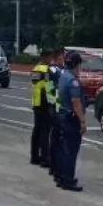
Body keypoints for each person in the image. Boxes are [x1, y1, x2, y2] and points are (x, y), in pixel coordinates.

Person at [55, 51, 87, 192]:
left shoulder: (63, 75)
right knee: (71, 151)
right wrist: (82, 121)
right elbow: (76, 103)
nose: (80, 68)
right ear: (75, 65)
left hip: (62, 115)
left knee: (63, 149)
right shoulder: (73, 81)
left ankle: (62, 177)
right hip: (71, 118)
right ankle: (68, 180)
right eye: (80, 65)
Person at [29, 50, 52, 166]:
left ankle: (34, 156)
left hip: (36, 102)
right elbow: (49, 86)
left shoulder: (35, 68)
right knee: (45, 131)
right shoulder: (46, 70)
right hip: (45, 102)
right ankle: (44, 158)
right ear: (45, 57)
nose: (51, 60)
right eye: (50, 58)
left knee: (37, 130)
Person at [46, 48, 65, 181]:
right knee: (55, 138)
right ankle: (53, 165)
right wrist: (52, 106)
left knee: (58, 138)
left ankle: (56, 164)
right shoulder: (52, 70)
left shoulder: (61, 69)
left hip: (61, 107)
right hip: (55, 107)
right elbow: (49, 89)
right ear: (57, 57)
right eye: (62, 57)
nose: (64, 60)